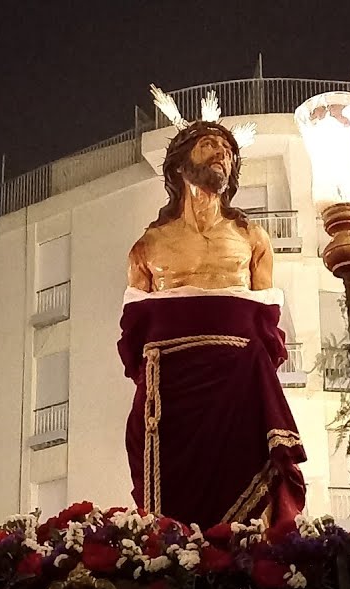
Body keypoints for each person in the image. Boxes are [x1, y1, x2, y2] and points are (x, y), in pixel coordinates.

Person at [118, 89, 306, 529]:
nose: (222, 154)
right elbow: (136, 328)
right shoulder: (148, 247)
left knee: (249, 471)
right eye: (209, 145)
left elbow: (266, 318)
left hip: (238, 377)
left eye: (227, 151)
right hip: (170, 386)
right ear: (181, 164)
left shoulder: (253, 239)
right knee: (162, 479)